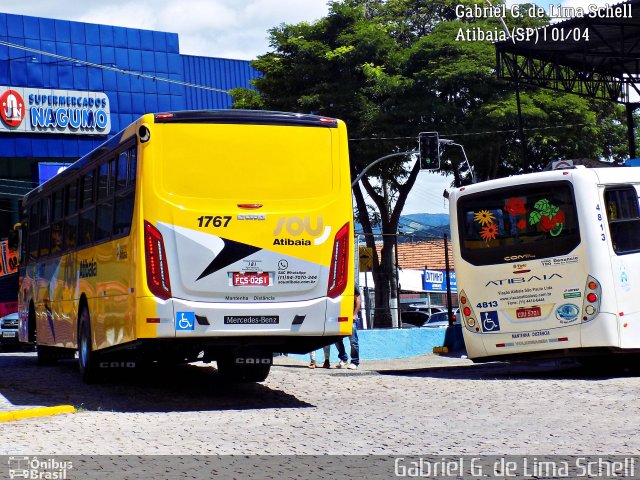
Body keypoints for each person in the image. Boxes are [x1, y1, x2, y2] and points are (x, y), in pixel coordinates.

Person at [335, 284, 361, 370]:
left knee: (353, 341)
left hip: (350, 317)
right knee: (336, 339)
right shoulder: (334, 284)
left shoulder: (352, 284)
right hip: (338, 316)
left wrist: (354, 314)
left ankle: (355, 362)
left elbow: (357, 300)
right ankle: (343, 358)